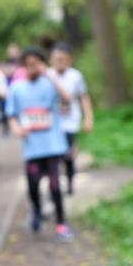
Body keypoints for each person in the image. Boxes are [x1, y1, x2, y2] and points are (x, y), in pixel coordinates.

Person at [5, 47, 74, 242]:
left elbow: (67, 99)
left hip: (53, 145)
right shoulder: (17, 88)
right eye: (28, 65)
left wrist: (50, 75)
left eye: (36, 64)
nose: (32, 68)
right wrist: (17, 129)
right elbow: (11, 115)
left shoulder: (50, 84)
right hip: (32, 148)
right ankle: (36, 211)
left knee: (54, 186)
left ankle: (62, 224)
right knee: (33, 186)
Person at [49, 43, 94, 195]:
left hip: (70, 122)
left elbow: (84, 97)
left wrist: (88, 118)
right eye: (56, 59)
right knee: (54, 157)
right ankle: (54, 187)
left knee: (68, 156)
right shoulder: (48, 75)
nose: (59, 62)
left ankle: (69, 184)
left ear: (69, 60)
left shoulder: (76, 76)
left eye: (62, 59)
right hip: (53, 123)